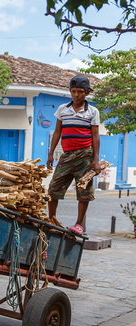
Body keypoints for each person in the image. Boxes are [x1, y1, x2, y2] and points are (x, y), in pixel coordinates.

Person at [46, 74, 101, 236]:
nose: (76, 95)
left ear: (87, 92)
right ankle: (51, 219)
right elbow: (57, 132)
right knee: (53, 188)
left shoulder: (92, 111)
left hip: (86, 155)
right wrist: (50, 154)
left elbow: (96, 136)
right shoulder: (63, 110)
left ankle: (78, 224)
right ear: (70, 92)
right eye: (73, 91)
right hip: (67, 155)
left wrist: (96, 160)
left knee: (83, 191)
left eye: (80, 92)